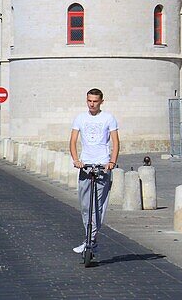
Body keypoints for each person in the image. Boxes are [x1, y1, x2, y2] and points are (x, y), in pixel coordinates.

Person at [69, 88, 119, 255]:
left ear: (101, 102)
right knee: (85, 206)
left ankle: (90, 240)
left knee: (98, 205)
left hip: (102, 165)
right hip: (85, 165)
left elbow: (115, 141)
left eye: (95, 101)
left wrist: (112, 161)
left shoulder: (109, 118)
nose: (92, 104)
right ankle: (90, 239)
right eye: (89, 101)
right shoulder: (80, 118)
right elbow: (73, 140)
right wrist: (76, 160)